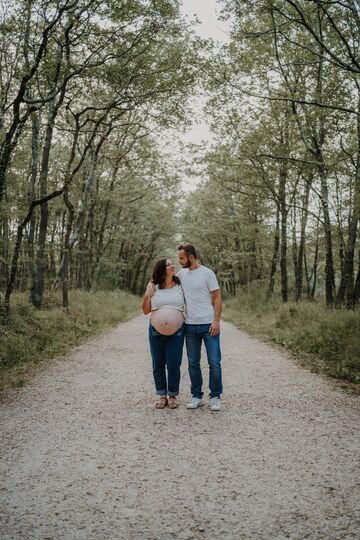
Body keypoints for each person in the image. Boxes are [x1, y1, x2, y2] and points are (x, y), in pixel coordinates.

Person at [177, 243, 223, 411]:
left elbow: (217, 298)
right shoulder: (181, 274)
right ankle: (197, 396)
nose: (180, 261)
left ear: (191, 257)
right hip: (190, 326)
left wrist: (216, 320)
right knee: (193, 363)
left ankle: (215, 397)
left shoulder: (207, 273)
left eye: (182, 258)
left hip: (208, 325)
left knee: (214, 362)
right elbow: (167, 283)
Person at [142, 258, 185, 409]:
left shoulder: (180, 284)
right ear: (161, 269)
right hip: (155, 331)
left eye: (172, 263)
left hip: (177, 331)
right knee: (158, 363)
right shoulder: (153, 286)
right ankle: (162, 395)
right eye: (168, 264)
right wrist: (148, 295)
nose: (172, 265)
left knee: (174, 363)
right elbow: (146, 310)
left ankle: (172, 395)